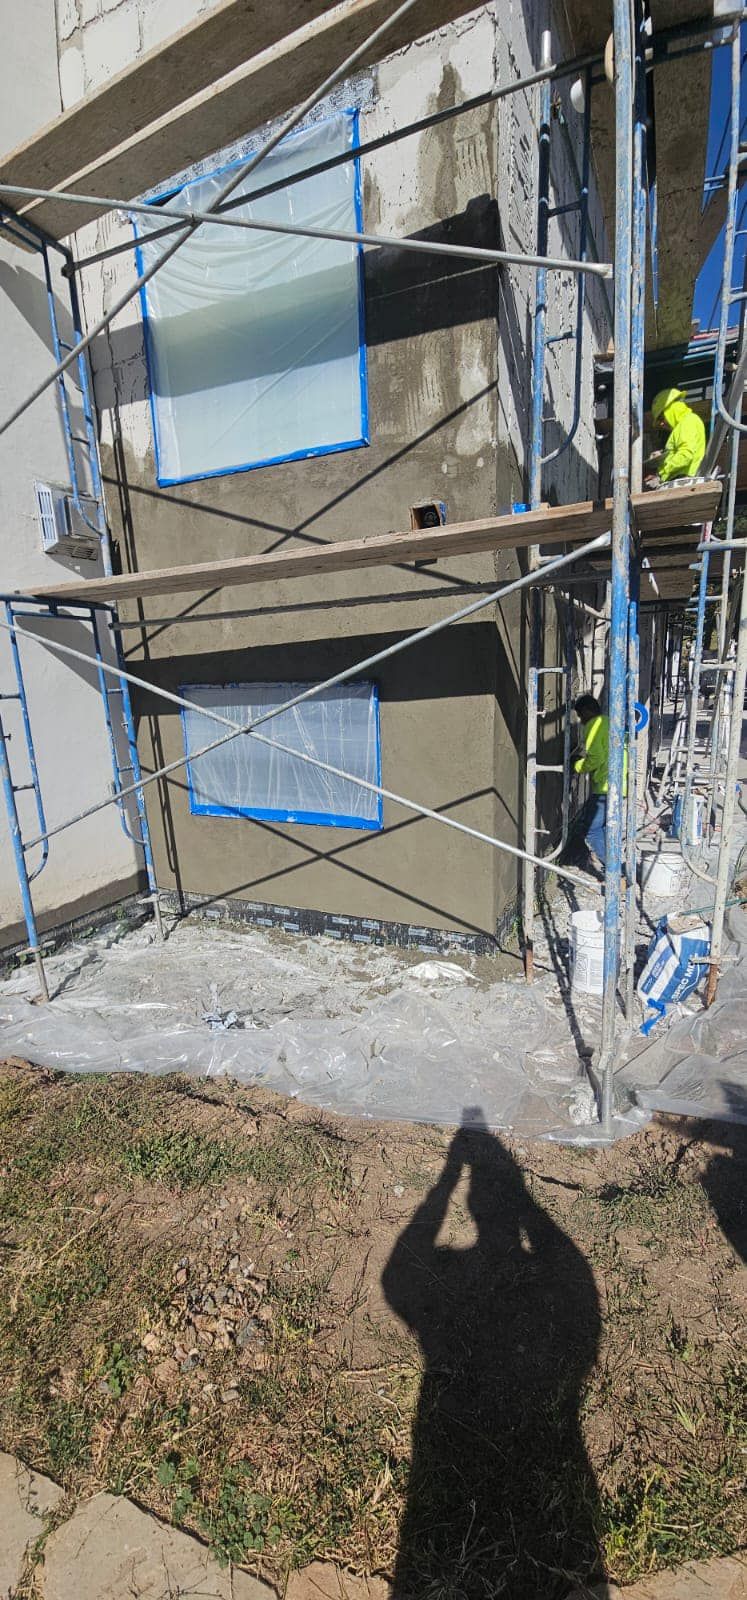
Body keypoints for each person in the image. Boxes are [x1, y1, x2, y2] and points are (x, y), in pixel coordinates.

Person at [573, 693, 626, 872]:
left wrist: (577, 766)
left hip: (606, 786)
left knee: (592, 829)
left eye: (580, 715)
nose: (580, 720)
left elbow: (596, 757)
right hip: (618, 784)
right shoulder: (609, 722)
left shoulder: (594, 725)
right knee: (606, 827)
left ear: (588, 711)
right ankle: (615, 866)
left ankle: (615, 871)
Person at [644, 387, 706, 488]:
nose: (662, 423)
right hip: (683, 481)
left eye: (661, 417)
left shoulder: (687, 422)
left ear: (670, 408)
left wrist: (661, 473)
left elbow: (685, 455)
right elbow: (681, 451)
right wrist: (662, 454)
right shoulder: (682, 425)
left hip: (685, 481)